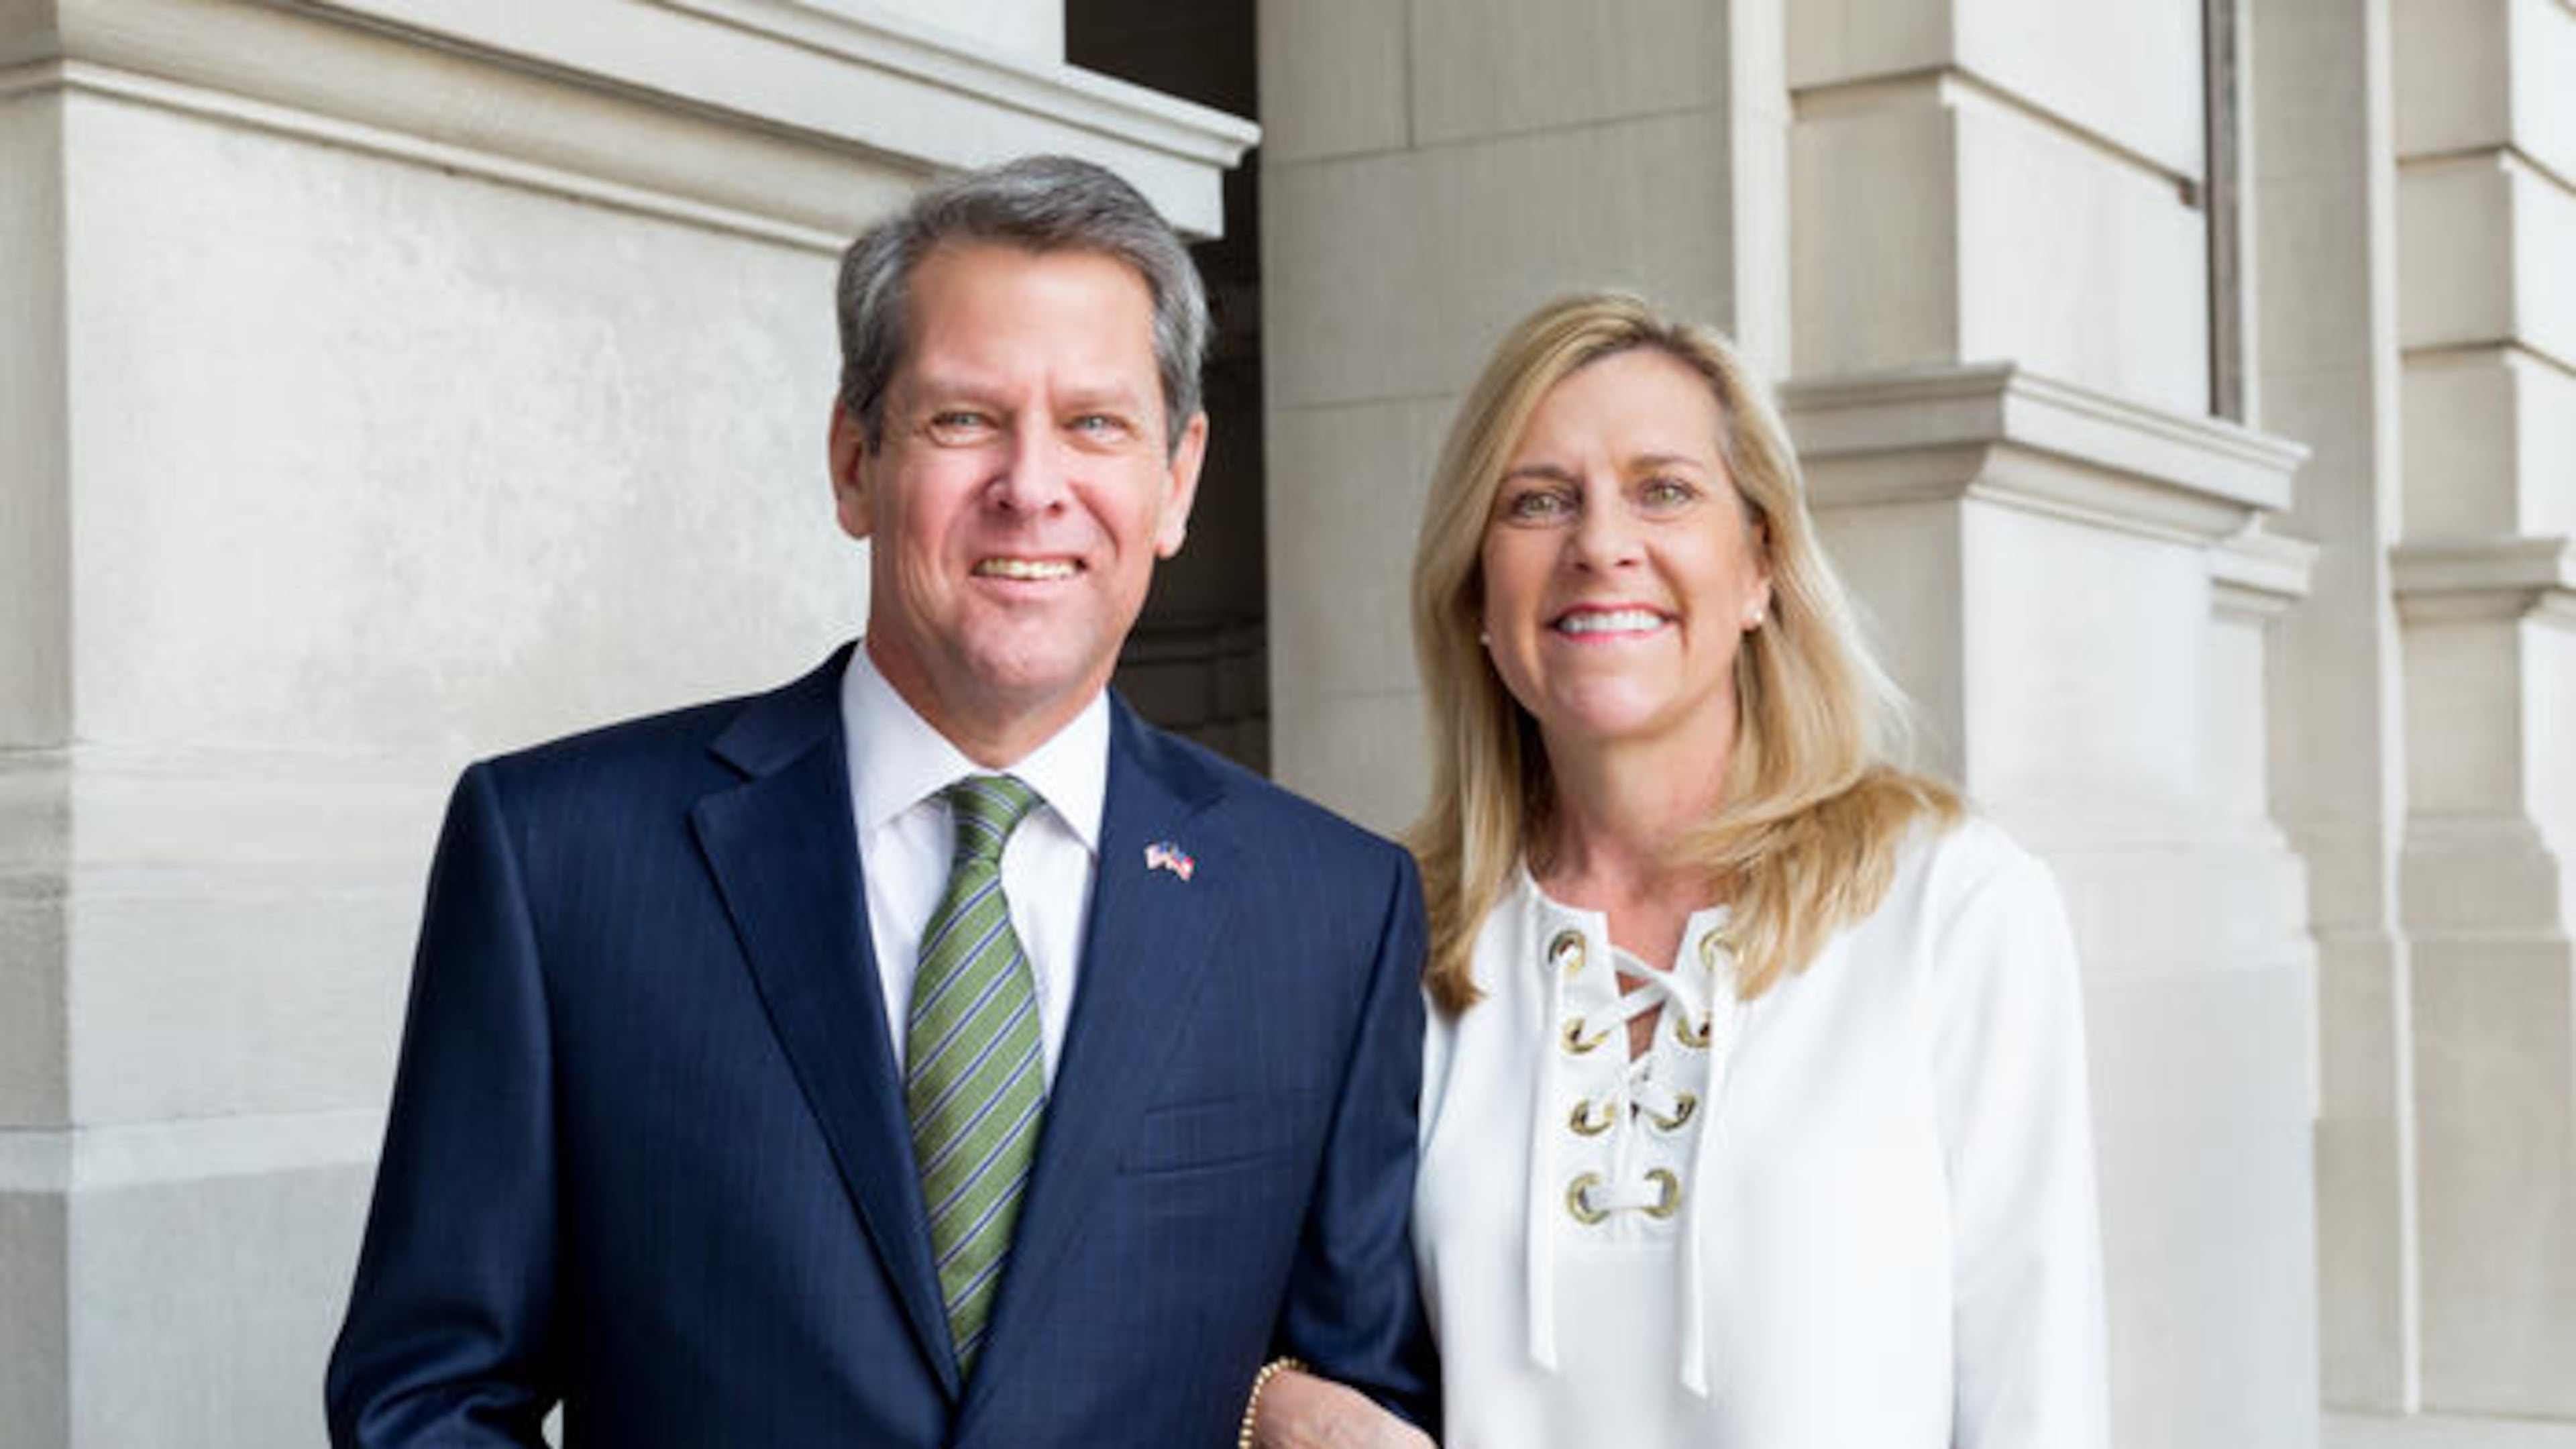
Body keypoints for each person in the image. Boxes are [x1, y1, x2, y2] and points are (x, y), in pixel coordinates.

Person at [326, 154, 1438, 1448]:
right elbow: (429, 1401)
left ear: (1177, 479)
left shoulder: (1331, 914)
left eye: (1095, 423)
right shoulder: (559, 861)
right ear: (854, 460)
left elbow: (1355, 1404)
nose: (1033, 485)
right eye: (965, 419)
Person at [1249, 293, 2106, 1448]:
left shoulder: (1953, 906)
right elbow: (1262, 1324)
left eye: (1665, 489)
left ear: (1761, 568)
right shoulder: (1399, 943)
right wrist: (1268, 1404)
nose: (1601, 545)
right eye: (1539, 501)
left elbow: (2036, 1390)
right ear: (1481, 604)